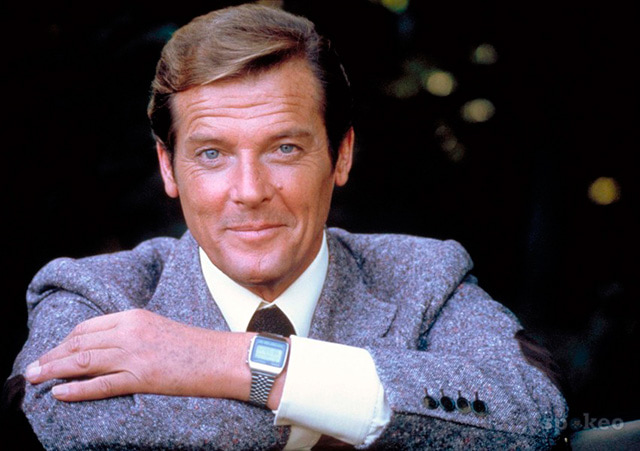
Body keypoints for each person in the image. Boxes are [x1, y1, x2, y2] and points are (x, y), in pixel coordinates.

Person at [6, 4, 566, 449]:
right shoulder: (93, 294)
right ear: (168, 168)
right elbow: (65, 429)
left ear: (341, 155)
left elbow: (530, 412)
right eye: (211, 154)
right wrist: (349, 414)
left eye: (285, 148)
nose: (250, 190)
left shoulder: (426, 276)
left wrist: (227, 361)